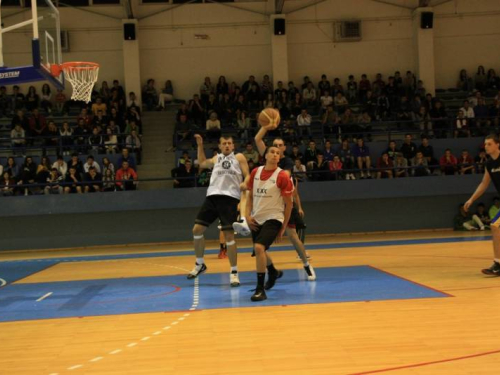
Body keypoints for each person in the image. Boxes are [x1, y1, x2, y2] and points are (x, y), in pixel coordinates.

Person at [186, 134, 250, 288]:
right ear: (220, 146)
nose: (227, 145)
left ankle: (234, 272)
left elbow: (248, 175)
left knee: (229, 236)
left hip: (230, 199)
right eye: (224, 143)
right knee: (197, 229)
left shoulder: (239, 157)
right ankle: (200, 264)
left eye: (229, 143)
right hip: (212, 197)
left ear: (233, 146)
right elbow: (201, 162)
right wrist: (200, 145)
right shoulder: (216, 158)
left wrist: (245, 184)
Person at [245, 146, 294, 302]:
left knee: (259, 248)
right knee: (260, 250)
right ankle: (272, 271)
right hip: (256, 218)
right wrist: (247, 215)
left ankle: (260, 290)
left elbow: (289, 204)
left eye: (278, 153)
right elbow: (250, 195)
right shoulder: (255, 172)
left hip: (274, 217)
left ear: (279, 158)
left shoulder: (282, 176)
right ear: (265, 155)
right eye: (272, 152)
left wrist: (283, 227)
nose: (275, 154)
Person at [464, 134, 500, 275]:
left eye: (489, 144)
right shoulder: (489, 164)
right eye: (485, 144)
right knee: (495, 226)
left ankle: (498, 263)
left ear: (498, 144)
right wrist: (471, 199)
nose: (486, 146)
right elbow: (484, 184)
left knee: (495, 225)